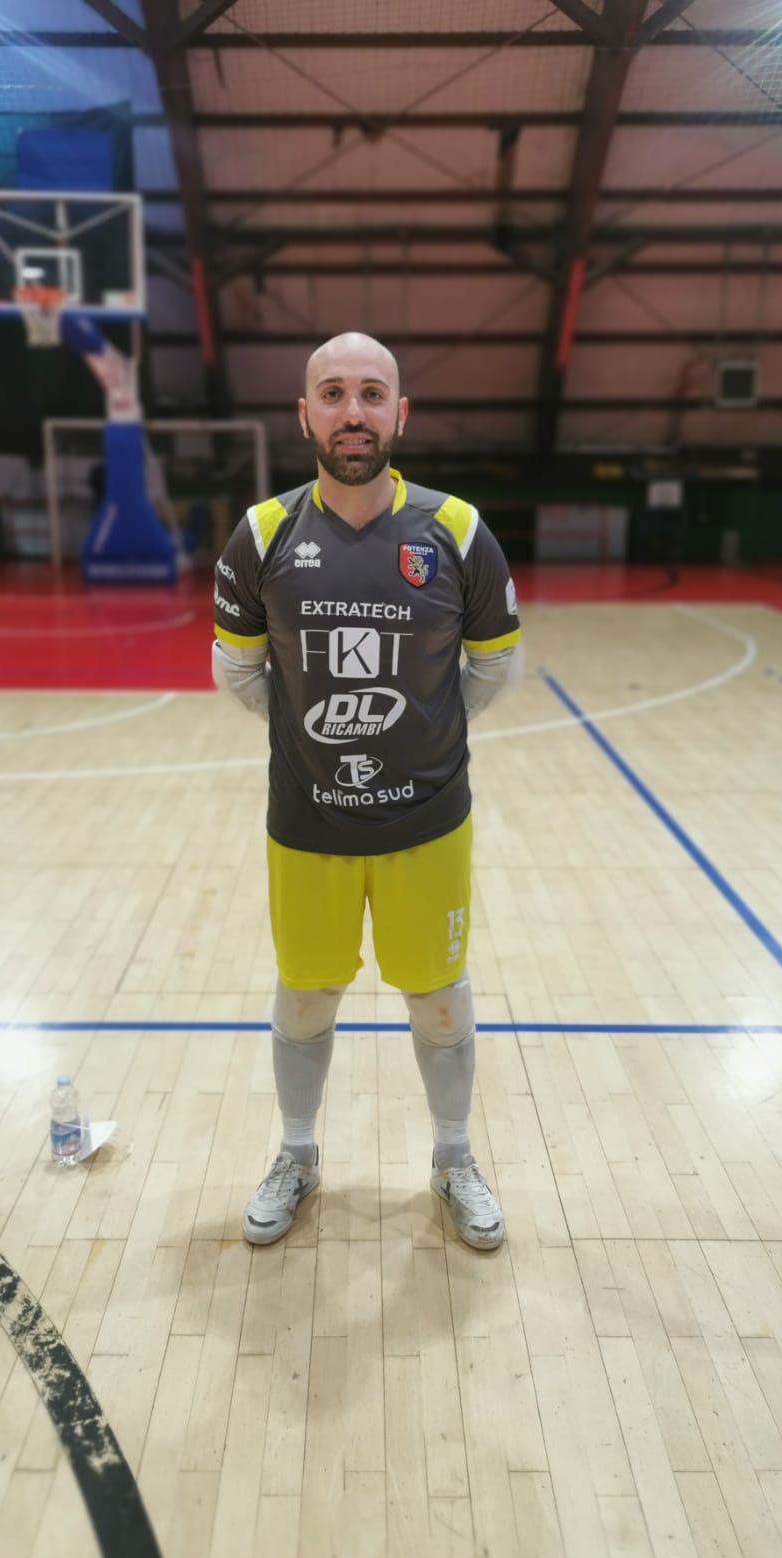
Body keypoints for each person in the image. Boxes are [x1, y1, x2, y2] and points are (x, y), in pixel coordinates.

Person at [211, 332, 522, 1249]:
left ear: (400, 414)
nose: (354, 412)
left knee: (438, 998)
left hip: (429, 821)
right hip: (308, 821)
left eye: (372, 394)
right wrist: (317, 739)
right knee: (306, 994)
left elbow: (494, 669)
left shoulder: (456, 531)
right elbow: (239, 671)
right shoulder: (263, 534)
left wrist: (418, 735)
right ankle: (297, 1155)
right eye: (334, 393)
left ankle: (453, 1158)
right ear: (304, 413)